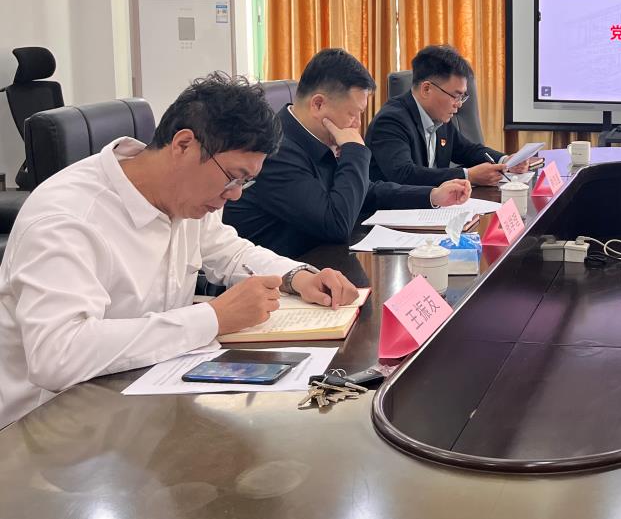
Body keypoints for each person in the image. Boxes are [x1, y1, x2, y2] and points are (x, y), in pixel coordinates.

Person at [0, 73, 360, 430]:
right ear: (184, 145)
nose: (236, 194)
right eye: (233, 176)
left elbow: (228, 250)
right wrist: (213, 318)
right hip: (47, 429)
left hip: (144, 398)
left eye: (246, 182)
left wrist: (296, 276)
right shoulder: (68, 218)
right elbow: (57, 356)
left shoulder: (183, 196)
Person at [223, 49, 471, 258]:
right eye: (353, 114)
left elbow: (367, 192)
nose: (357, 125)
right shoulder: (277, 150)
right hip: (274, 278)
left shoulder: (315, 136)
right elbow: (335, 224)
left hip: (316, 263)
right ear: (318, 104)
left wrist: (432, 195)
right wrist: (355, 151)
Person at [368, 44, 529, 188]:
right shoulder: (391, 121)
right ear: (426, 89)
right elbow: (404, 174)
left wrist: (505, 161)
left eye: (462, 97)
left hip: (432, 204)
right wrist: (468, 176)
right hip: (393, 209)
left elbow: (467, 150)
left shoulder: (438, 117)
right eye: (455, 96)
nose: (459, 104)